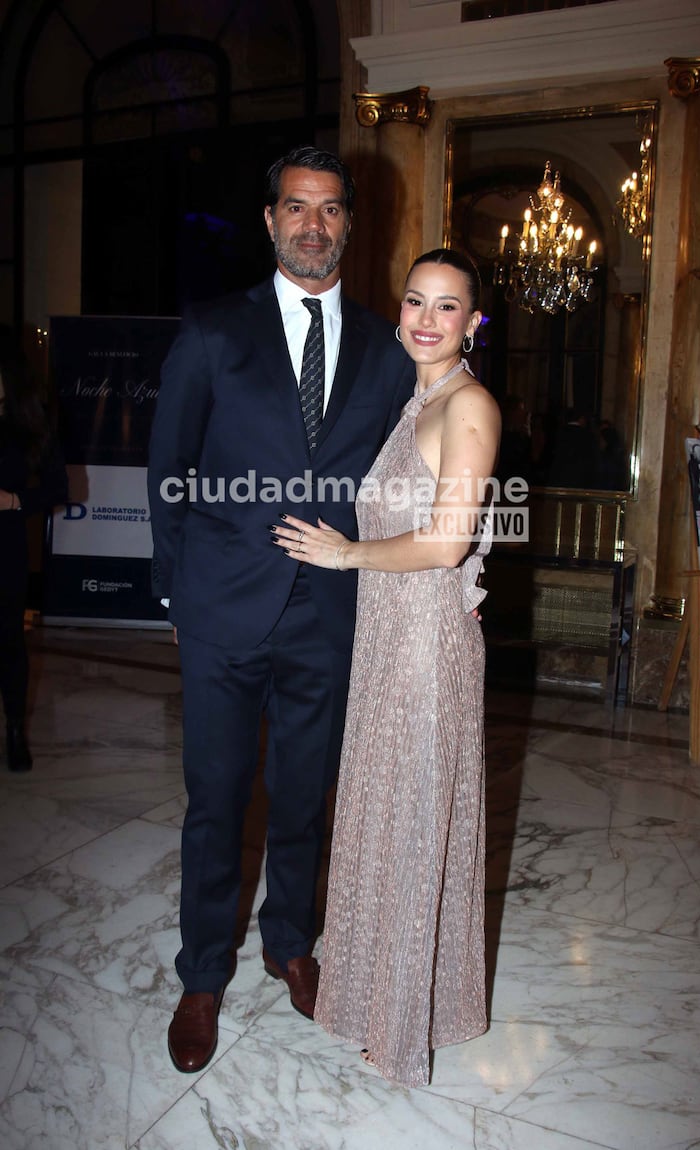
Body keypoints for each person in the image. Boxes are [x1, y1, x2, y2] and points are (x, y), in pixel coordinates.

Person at [147, 146, 413, 1074]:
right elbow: (168, 468)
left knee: (302, 798)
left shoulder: (387, 350)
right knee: (216, 801)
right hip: (221, 609)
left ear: (349, 222)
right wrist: (176, 590)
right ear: (268, 221)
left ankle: (289, 944)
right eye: (295, 208)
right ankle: (201, 974)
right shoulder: (215, 332)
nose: (313, 225)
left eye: (330, 209)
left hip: (331, 614)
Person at [272, 248, 502, 1087]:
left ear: (473, 323)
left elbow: (445, 542)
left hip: (420, 650)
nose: (426, 320)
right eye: (414, 301)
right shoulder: (419, 403)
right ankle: (385, 1000)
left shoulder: (467, 406)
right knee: (386, 821)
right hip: (388, 638)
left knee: (409, 827)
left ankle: (402, 1030)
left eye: (447, 307)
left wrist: (345, 556)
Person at [0, 325, 68, 771]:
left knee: (8, 644)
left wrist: (14, 500)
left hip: (4, 547)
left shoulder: (27, 421)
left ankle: (15, 732)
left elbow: (59, 486)